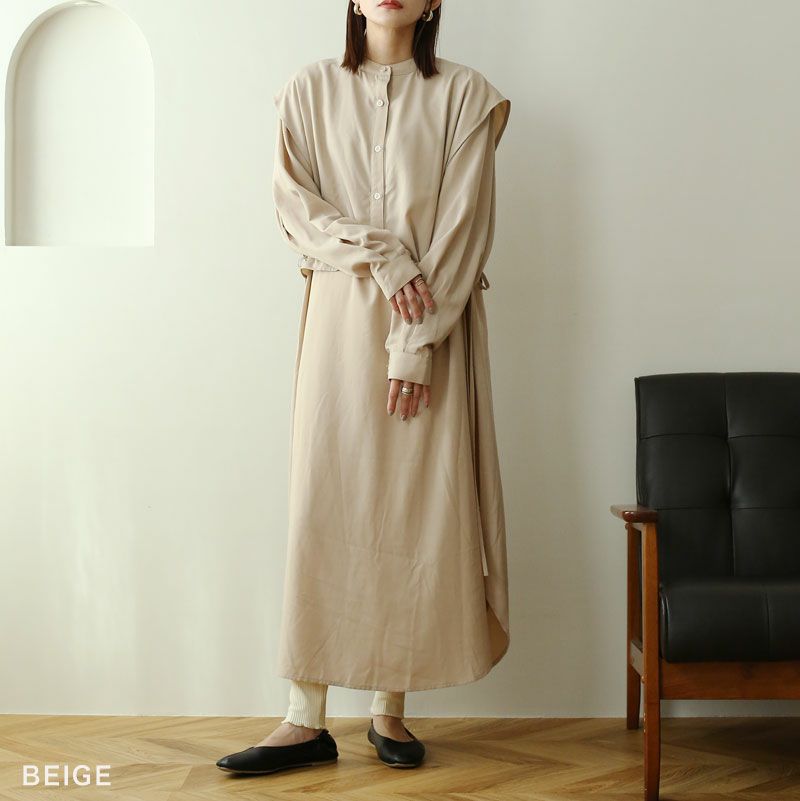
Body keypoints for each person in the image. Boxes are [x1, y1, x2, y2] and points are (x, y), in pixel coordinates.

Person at [217, 0, 511, 775]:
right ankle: (303, 716)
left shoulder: (466, 95)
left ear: (436, 1)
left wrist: (414, 345)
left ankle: (390, 705)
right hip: (339, 324)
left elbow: (463, 229)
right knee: (327, 500)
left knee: (413, 507)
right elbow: (294, 206)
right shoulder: (307, 90)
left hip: (432, 323)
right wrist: (381, 251)